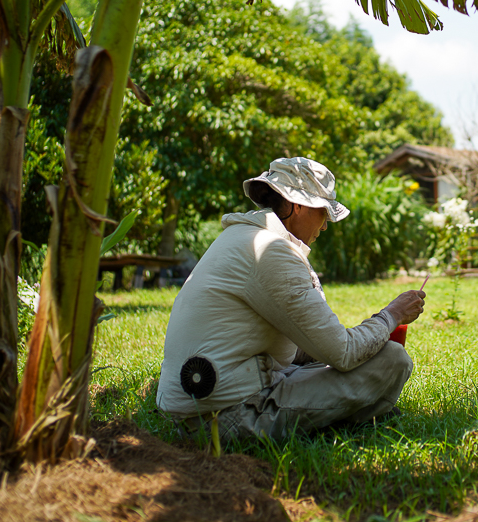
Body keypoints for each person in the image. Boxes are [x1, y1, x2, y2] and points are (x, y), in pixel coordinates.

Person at [156, 157, 426, 440]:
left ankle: (354, 410)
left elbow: (304, 347)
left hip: (201, 408)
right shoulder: (271, 251)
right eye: (323, 213)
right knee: (392, 360)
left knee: (352, 357)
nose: (323, 227)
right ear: (298, 205)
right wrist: (392, 314)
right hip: (221, 418)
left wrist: (349, 341)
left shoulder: (243, 237)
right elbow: (343, 354)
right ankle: (355, 414)